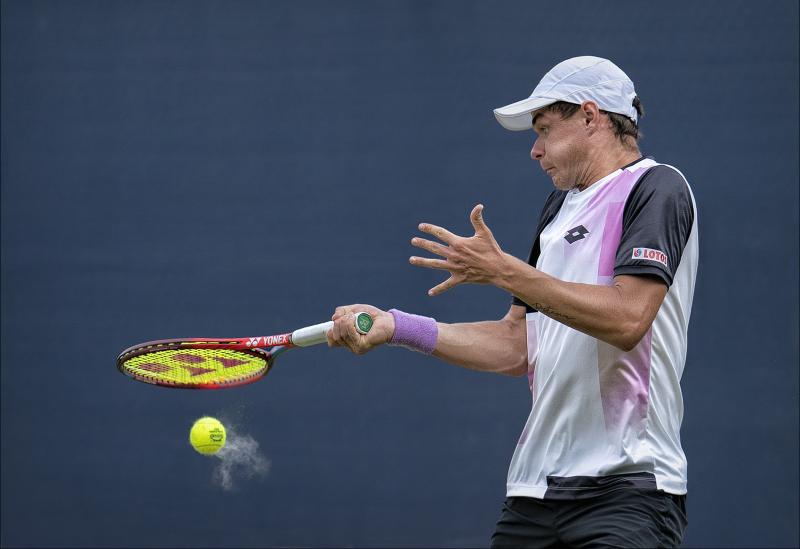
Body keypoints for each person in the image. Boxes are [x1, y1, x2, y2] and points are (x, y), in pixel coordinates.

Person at [327, 56, 697, 548]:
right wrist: (396, 326)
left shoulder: (657, 188)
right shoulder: (557, 211)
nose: (535, 150)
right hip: (534, 492)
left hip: (629, 490)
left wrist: (504, 270)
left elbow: (628, 319)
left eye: (544, 129)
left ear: (591, 117)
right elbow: (517, 344)